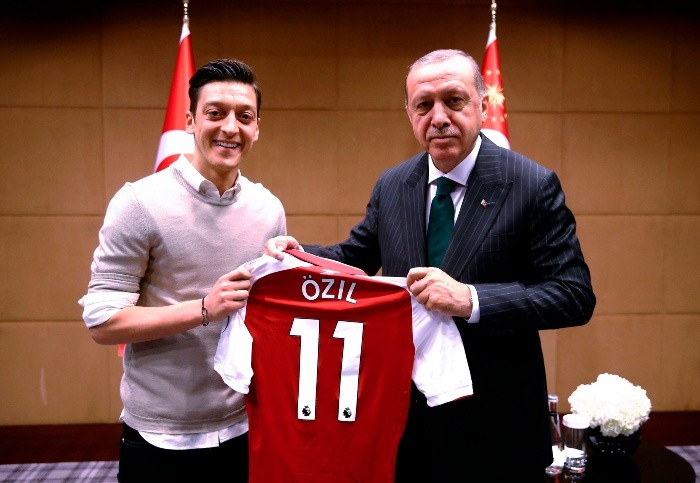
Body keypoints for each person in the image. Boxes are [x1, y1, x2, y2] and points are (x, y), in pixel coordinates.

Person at [265, 49, 596, 481]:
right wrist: (297, 256)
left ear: (482, 105)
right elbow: (355, 258)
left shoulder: (531, 184)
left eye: (453, 100)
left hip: (497, 426)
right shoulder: (394, 184)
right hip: (406, 424)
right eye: (424, 105)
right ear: (409, 114)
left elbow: (573, 295)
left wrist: (471, 299)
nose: (438, 118)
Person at [78, 58, 286, 482]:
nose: (230, 127)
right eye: (215, 113)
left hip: (243, 427)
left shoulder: (269, 209)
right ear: (190, 121)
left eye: (244, 116)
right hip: (159, 438)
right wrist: (204, 308)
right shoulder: (138, 203)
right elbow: (102, 322)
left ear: (257, 128)